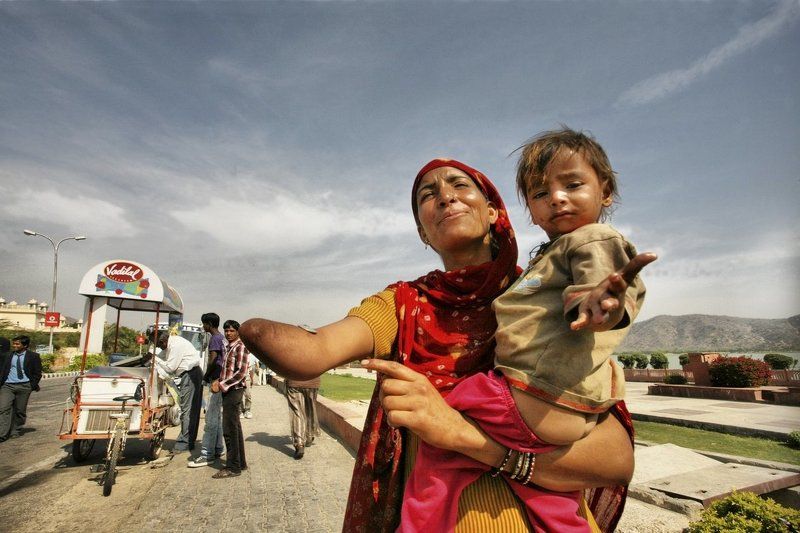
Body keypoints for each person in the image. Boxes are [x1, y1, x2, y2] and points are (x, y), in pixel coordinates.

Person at [240, 158, 651, 532]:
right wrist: (254, 331)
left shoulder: (546, 299)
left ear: (493, 212)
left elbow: (615, 460)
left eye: (459, 184)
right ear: (422, 230)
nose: (445, 196)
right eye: (427, 194)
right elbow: (315, 352)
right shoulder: (404, 305)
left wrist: (462, 435)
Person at [400, 129, 654, 532]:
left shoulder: (591, 239)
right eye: (539, 193)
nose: (556, 198)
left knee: (441, 431)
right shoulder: (549, 258)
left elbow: (598, 283)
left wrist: (597, 302)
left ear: (604, 191)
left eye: (573, 185)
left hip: (533, 394)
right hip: (566, 413)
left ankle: (417, 525)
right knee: (556, 495)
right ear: (530, 212)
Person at [149, 331, 203, 453]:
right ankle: (189, 441)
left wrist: (154, 359)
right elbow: (162, 356)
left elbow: (170, 367)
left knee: (187, 410)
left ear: (163, 341)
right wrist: (153, 357)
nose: (157, 347)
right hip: (191, 374)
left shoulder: (175, 345)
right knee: (190, 409)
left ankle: (184, 442)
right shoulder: (172, 343)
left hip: (190, 375)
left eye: (157, 344)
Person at [211, 319, 249, 478]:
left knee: (229, 429)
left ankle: (233, 467)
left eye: (232, 331)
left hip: (234, 391)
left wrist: (222, 385)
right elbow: (227, 370)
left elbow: (241, 373)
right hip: (228, 390)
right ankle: (240, 463)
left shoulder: (240, 347)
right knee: (235, 428)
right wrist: (219, 381)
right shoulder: (229, 347)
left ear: (238, 332)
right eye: (226, 331)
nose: (228, 333)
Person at [189, 312, 226, 468]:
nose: (203, 326)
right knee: (216, 417)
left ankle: (207, 454)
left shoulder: (214, 339)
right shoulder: (222, 337)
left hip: (215, 381)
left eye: (204, 323)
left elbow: (212, 359)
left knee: (210, 419)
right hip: (220, 380)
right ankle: (218, 447)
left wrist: (206, 376)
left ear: (209, 324)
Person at [0, 335, 42, 442]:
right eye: (14, 343)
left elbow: (37, 373)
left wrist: (32, 385)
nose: (14, 345)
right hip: (7, 386)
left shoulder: (33, 356)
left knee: (20, 410)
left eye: (17, 344)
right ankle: (2, 434)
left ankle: (15, 430)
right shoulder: (7, 355)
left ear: (25, 345)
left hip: (24, 386)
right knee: (3, 409)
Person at [285, 375, 321, 459]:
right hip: (312, 382)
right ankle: (309, 437)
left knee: (297, 412)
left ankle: (300, 444)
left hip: (294, 382)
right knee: (310, 411)